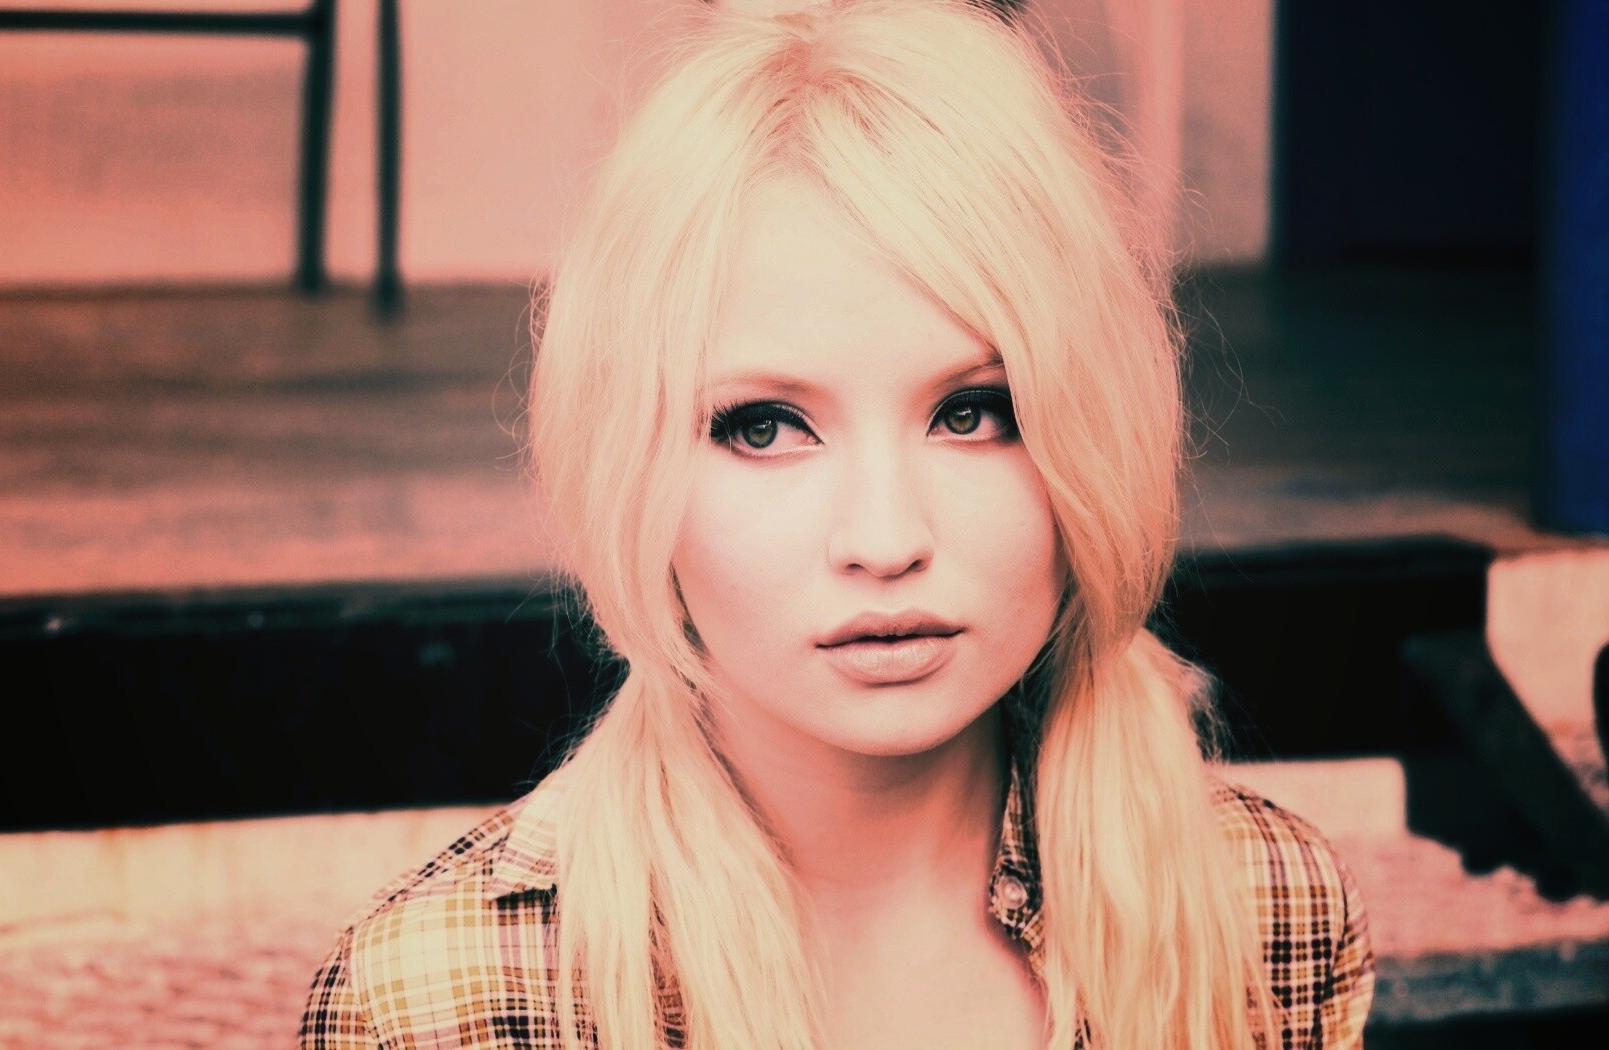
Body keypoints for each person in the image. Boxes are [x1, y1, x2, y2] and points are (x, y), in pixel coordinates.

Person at [298, 2, 1375, 1047]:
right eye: (765, 428)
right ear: (625, 463)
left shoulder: (1266, 912)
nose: (885, 538)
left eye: (973, 412)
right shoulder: (441, 1003)